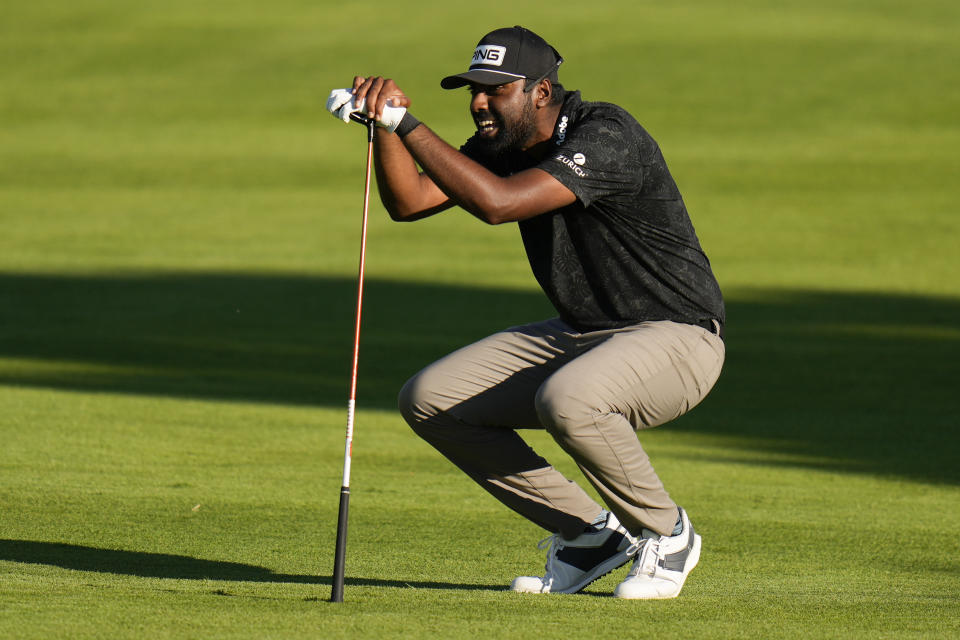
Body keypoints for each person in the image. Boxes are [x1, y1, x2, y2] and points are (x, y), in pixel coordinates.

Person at [326, 25, 725, 599]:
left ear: (541, 92)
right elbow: (410, 202)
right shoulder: (503, 143)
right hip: (584, 333)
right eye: (472, 89)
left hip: (679, 337)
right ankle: (589, 537)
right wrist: (384, 127)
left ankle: (667, 532)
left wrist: (406, 124)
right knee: (432, 399)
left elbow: (498, 204)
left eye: (494, 90)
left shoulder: (607, 135)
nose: (478, 102)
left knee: (569, 400)